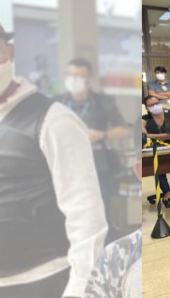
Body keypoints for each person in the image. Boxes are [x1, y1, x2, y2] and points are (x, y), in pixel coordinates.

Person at [0, 2, 107, 297]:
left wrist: (81, 288)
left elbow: (85, 214)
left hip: (40, 281)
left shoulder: (54, 119)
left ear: (10, 54)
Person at [57, 57, 130, 214]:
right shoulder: (57, 102)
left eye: (79, 76)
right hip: (65, 164)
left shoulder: (103, 102)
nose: (73, 80)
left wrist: (102, 135)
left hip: (96, 163)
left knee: (99, 209)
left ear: (89, 79)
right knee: (67, 211)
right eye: (70, 75)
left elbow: (124, 129)